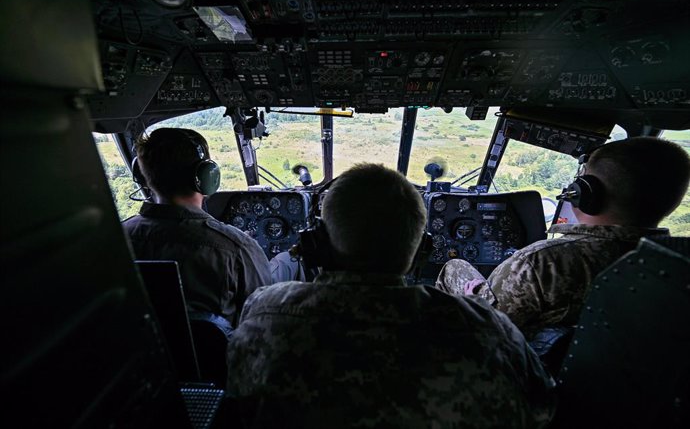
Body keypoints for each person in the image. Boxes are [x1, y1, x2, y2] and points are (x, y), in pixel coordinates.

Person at [226, 164, 555, 429]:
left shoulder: (263, 315)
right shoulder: (490, 330)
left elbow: (238, 401)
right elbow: (541, 412)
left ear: (316, 243)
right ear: (423, 251)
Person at [436, 137, 690, 340]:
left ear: (585, 193)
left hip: (530, 382)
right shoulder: (676, 267)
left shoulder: (544, 262)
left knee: (454, 267)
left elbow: (486, 331)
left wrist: (473, 302)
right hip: (604, 387)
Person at [123, 128, 271, 327]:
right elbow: (265, 321)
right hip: (218, 358)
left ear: (141, 176)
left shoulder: (114, 239)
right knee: (287, 261)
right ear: (206, 176)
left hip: (141, 357)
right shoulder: (238, 250)